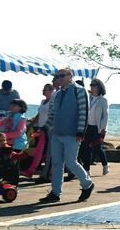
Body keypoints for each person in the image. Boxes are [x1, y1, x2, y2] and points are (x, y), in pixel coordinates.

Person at [40, 68, 94, 203]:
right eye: (58, 76)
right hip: (57, 133)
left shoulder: (79, 90)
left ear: (70, 76)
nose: (59, 78)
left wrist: (81, 131)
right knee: (57, 164)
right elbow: (52, 114)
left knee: (71, 162)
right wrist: (44, 128)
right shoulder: (57, 94)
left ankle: (87, 184)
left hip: (72, 134)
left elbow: (83, 112)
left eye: (62, 75)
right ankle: (55, 192)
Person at [82, 78, 110, 175]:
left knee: (97, 148)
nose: (92, 87)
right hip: (88, 127)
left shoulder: (103, 100)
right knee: (87, 148)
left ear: (99, 87)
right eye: (91, 85)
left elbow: (105, 115)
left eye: (94, 85)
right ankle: (86, 170)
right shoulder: (88, 97)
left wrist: (103, 128)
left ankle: (105, 165)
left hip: (97, 128)